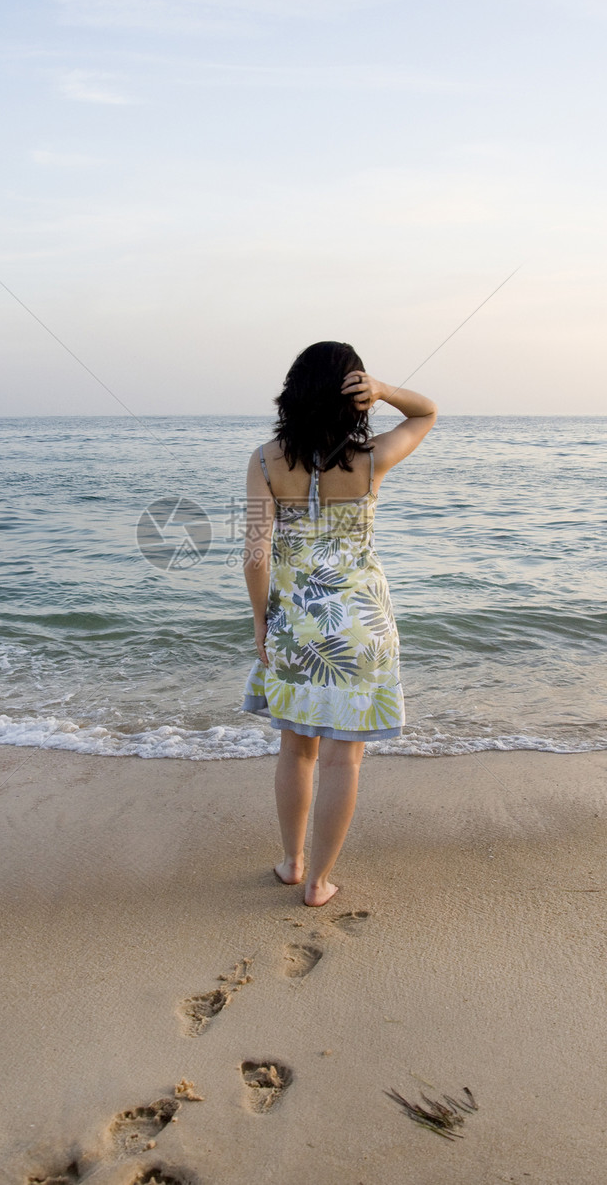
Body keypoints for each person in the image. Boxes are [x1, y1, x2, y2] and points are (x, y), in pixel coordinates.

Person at [241, 341, 437, 906]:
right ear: (354, 394)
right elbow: (426, 410)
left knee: (295, 749)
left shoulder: (264, 461)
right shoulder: (372, 457)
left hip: (297, 622)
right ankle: (321, 883)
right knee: (343, 759)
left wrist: (262, 623)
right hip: (362, 621)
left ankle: (292, 862)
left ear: (293, 391)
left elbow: (255, 554)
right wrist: (385, 388)